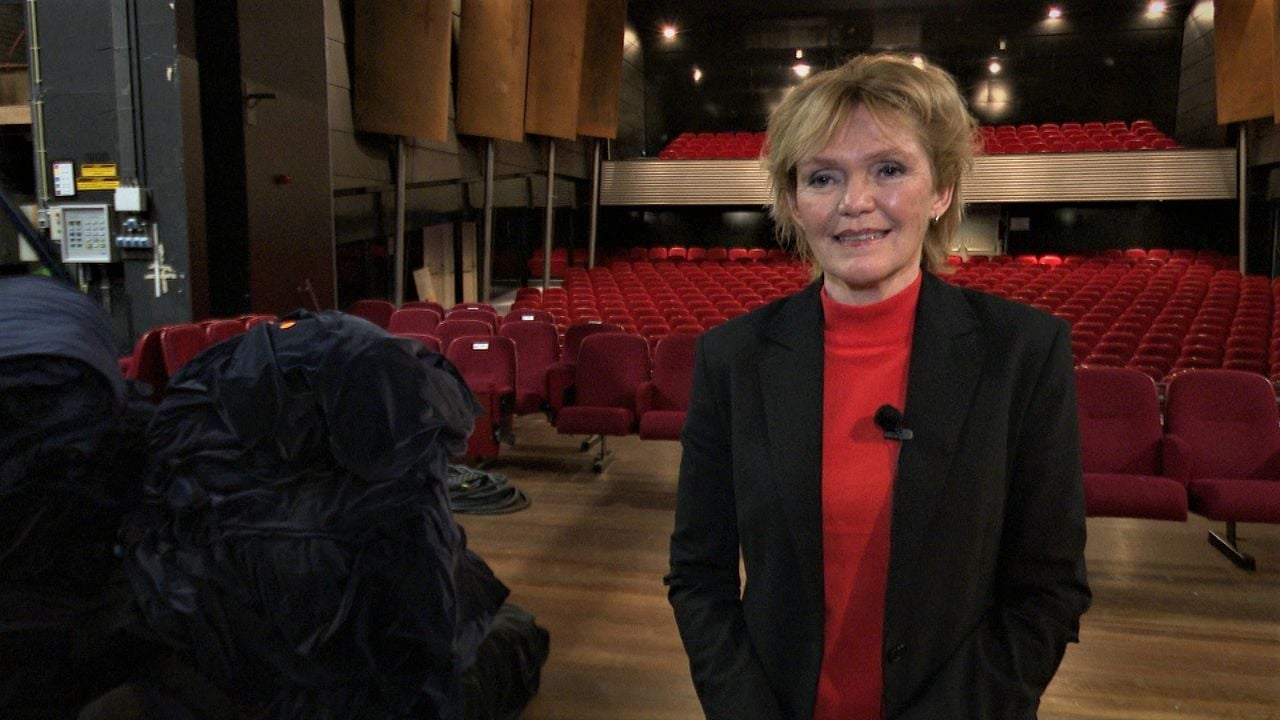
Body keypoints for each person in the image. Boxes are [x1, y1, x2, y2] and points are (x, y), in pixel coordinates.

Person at [665, 53, 1090, 720]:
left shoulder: (1024, 353)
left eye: (888, 169)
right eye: (823, 177)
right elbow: (699, 576)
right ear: (794, 202)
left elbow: (1048, 590)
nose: (854, 203)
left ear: (941, 188)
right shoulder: (731, 358)